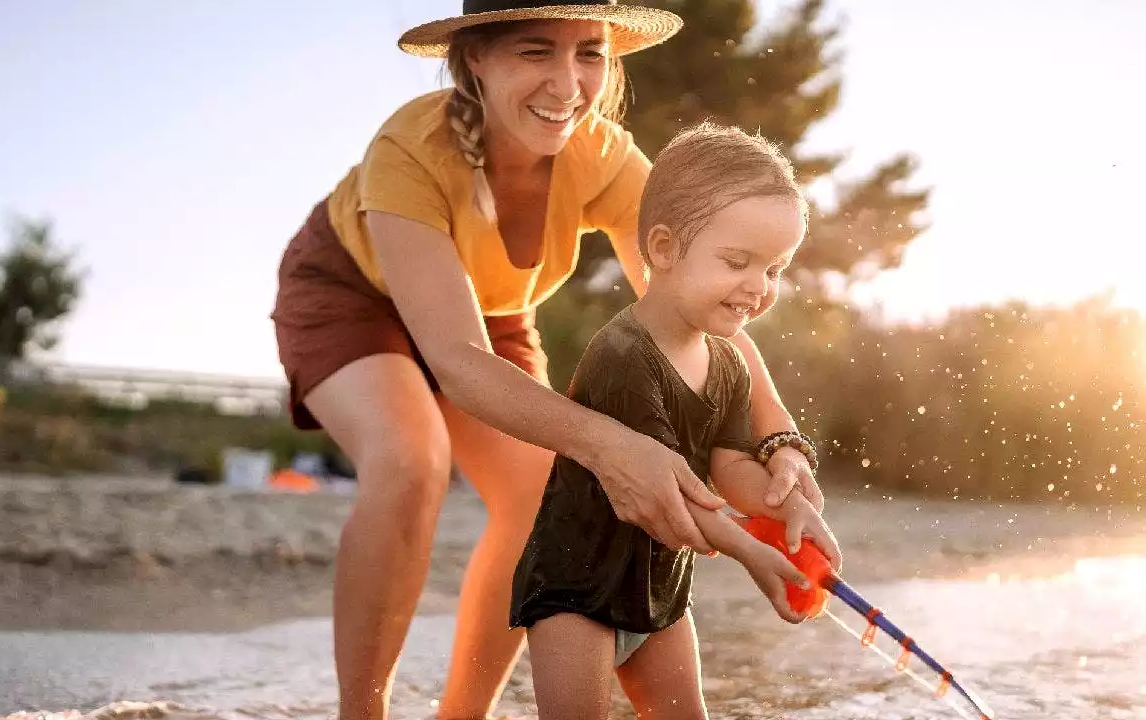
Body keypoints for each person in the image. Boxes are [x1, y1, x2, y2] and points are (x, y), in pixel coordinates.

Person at [269, 2, 826, 718]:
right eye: (536, 52)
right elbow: (458, 361)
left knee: (541, 494)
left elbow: (701, 307)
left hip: (492, 311)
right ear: (475, 58)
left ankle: (461, 715)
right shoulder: (411, 147)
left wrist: (780, 443)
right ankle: (362, 713)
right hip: (352, 291)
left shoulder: (606, 156)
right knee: (410, 459)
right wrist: (612, 445)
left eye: (589, 54)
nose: (568, 85)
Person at [509, 121, 843, 719]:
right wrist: (752, 555)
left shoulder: (725, 362)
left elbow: (730, 466)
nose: (759, 287)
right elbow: (676, 498)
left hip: (659, 582)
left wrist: (787, 507)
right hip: (576, 586)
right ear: (662, 249)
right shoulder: (623, 356)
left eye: (773, 269)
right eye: (737, 261)